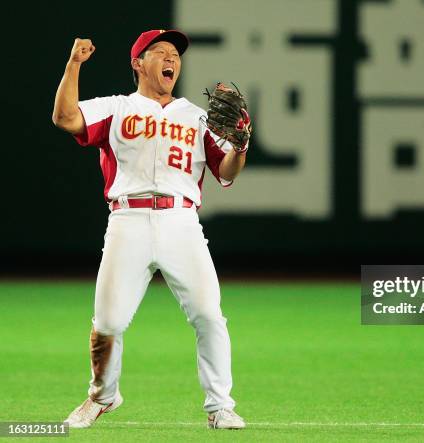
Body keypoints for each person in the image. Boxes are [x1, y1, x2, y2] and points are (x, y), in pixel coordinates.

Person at [52, 29, 248, 430]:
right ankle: (102, 397)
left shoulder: (196, 116)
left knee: (210, 315)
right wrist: (74, 64)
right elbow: (65, 117)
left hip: (181, 223)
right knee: (107, 323)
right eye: (159, 51)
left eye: (175, 53)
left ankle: (220, 406)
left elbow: (226, 170)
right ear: (138, 63)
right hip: (128, 221)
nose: (170, 58)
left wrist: (241, 146)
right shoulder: (117, 107)